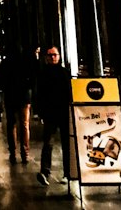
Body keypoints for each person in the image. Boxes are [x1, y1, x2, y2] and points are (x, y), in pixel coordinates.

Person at [35, 43, 71, 187]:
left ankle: (68, 173)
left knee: (66, 143)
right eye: (50, 55)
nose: (53, 58)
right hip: (50, 113)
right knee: (48, 143)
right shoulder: (43, 74)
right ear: (46, 58)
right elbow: (40, 94)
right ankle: (45, 172)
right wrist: (41, 112)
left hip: (63, 112)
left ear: (59, 56)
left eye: (55, 55)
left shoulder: (64, 73)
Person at [0, 45, 37, 165]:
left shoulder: (6, 63)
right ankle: (25, 152)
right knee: (25, 124)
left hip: (10, 96)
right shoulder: (26, 61)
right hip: (24, 96)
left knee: (11, 125)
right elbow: (32, 77)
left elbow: (2, 81)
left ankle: (13, 153)